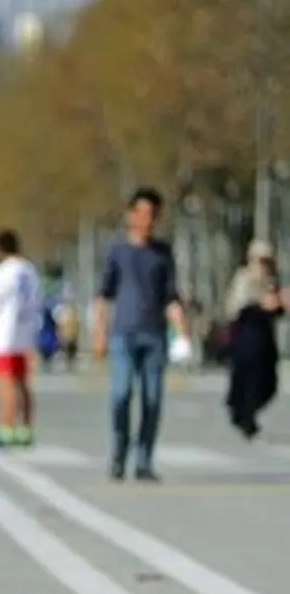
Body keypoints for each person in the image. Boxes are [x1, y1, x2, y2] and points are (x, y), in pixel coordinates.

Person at [92, 187, 192, 481]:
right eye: (142, 213)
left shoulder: (163, 254)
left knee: (151, 400)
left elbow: (171, 297)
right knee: (121, 395)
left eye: (153, 214)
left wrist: (181, 330)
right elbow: (103, 296)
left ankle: (144, 460)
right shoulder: (117, 252)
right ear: (131, 215)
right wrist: (99, 332)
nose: (147, 219)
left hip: (155, 336)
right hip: (123, 334)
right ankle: (119, 451)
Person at [0, 229, 42, 447]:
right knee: (23, 383)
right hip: (25, 332)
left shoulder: (1, 272)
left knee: (5, 383)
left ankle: (6, 428)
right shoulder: (29, 270)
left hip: (4, 335)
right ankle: (25, 428)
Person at [224, 239, 283, 439]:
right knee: (245, 381)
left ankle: (246, 414)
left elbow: (277, 309)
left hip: (266, 340)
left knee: (268, 384)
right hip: (245, 338)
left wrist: (279, 304)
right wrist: (260, 305)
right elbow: (236, 308)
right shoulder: (244, 278)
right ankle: (244, 417)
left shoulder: (272, 281)